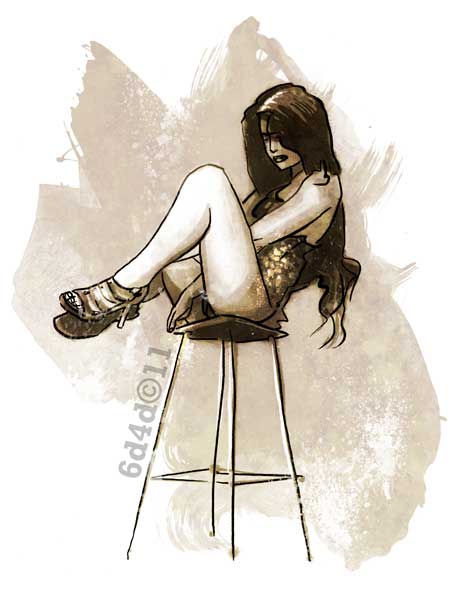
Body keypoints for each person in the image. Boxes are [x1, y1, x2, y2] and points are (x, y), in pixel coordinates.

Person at [56, 83, 361, 347]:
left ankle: (117, 291)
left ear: (304, 131)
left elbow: (256, 238)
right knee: (172, 257)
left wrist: (194, 284)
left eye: (281, 137)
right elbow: (221, 240)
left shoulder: (321, 188)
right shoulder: (276, 187)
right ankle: (123, 299)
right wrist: (173, 275)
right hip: (228, 288)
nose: (272, 148)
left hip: (253, 299)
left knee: (210, 180)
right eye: (266, 138)